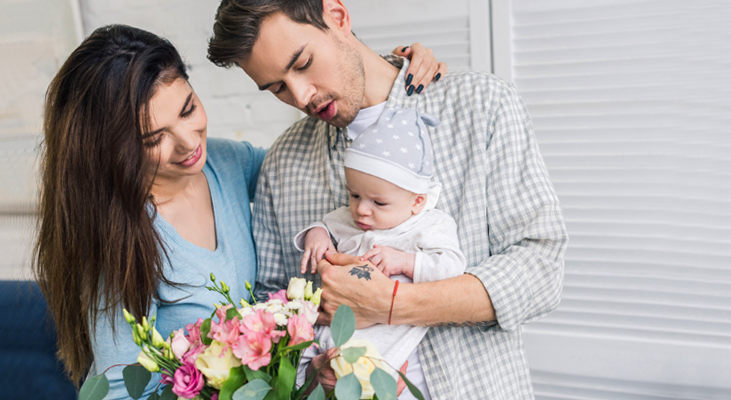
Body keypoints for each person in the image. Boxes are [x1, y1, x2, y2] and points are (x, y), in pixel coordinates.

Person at [33, 24, 442, 399]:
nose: (188, 142)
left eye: (188, 109)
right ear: (112, 148)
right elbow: (117, 391)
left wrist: (390, 84)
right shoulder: (119, 243)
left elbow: (338, 172)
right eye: (154, 138)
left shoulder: (226, 163)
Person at [207, 0, 569, 398]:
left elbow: (541, 269)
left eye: (303, 63)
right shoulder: (282, 163)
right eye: (277, 87)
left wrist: (393, 303)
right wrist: (312, 372)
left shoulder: (479, 106)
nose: (301, 96)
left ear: (339, 17)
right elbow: (271, 304)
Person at [294, 107, 467, 400]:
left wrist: (406, 261)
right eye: (355, 195)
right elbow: (324, 224)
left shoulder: (430, 224)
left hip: (389, 337)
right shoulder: (345, 219)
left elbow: (452, 267)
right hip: (333, 332)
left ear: (417, 201)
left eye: (379, 202)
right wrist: (316, 235)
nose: (362, 209)